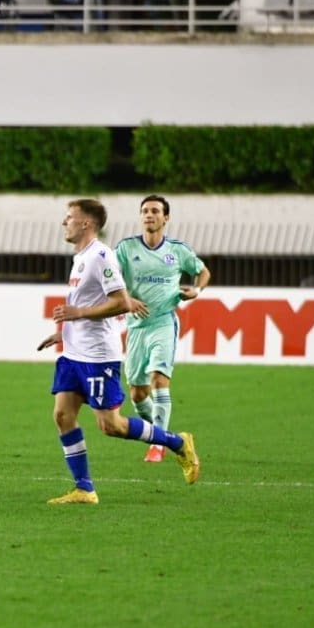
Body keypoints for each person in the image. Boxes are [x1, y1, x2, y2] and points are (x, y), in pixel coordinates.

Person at [37, 199, 199, 505]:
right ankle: (84, 489)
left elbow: (121, 302)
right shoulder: (81, 256)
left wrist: (79, 313)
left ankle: (177, 442)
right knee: (62, 415)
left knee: (111, 425)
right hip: (74, 354)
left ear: (86, 223)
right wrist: (65, 331)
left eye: (69, 217)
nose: (64, 222)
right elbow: (87, 302)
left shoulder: (101, 256)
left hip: (98, 357)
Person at [115, 195, 210, 463]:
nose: (149, 214)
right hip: (136, 327)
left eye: (155, 211)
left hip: (163, 322)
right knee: (137, 394)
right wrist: (126, 300)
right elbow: (109, 277)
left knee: (159, 379)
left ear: (165, 218)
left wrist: (197, 290)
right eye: (145, 210)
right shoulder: (125, 248)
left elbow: (203, 272)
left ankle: (157, 445)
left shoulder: (177, 250)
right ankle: (162, 435)